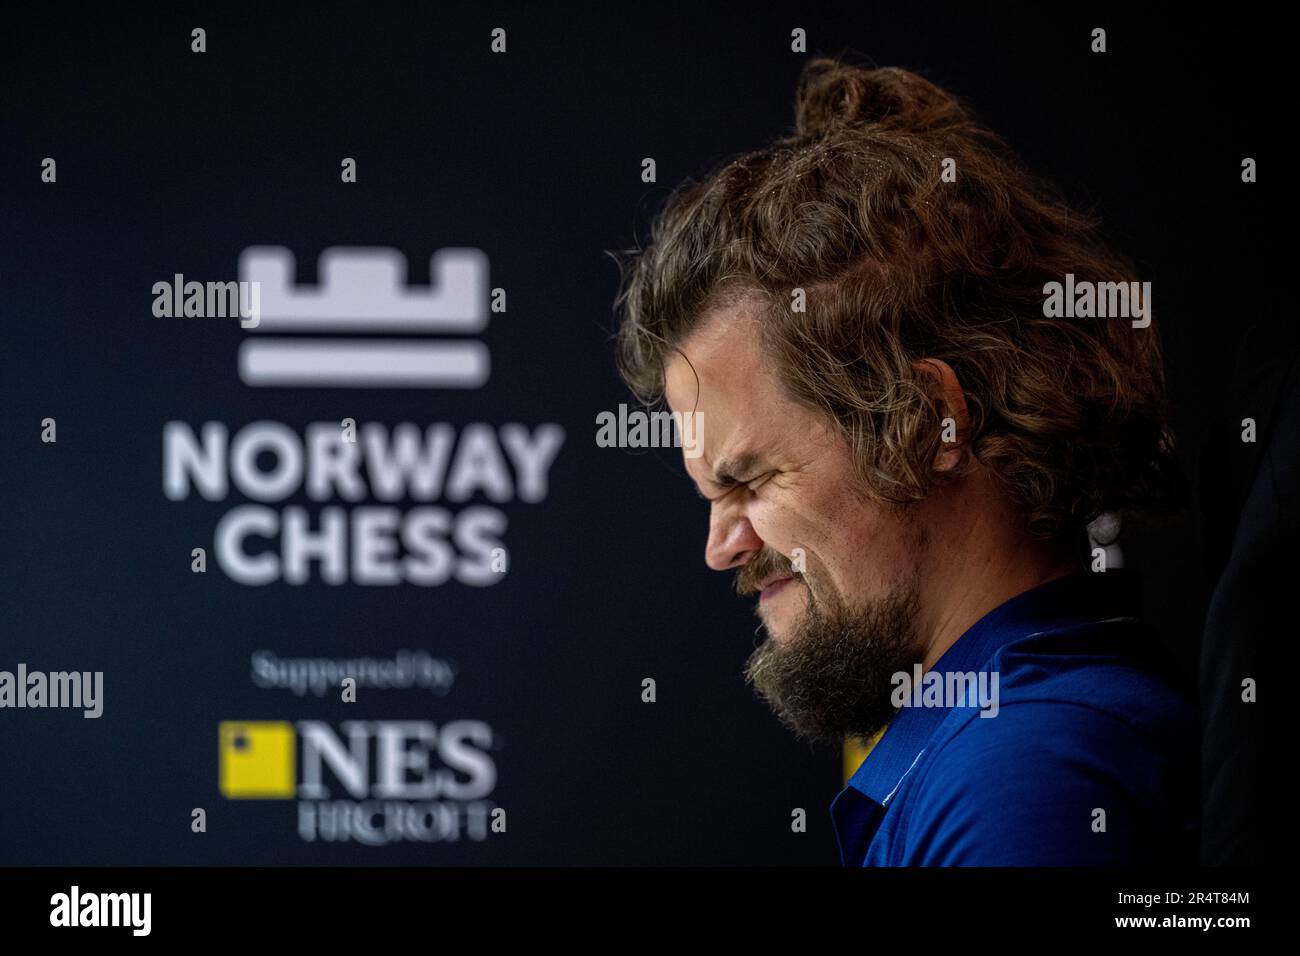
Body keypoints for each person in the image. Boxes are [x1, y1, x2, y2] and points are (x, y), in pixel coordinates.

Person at [611, 58, 1198, 865]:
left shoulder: (1023, 778)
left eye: (749, 480)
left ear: (926, 425)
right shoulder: (1007, 740)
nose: (722, 547)